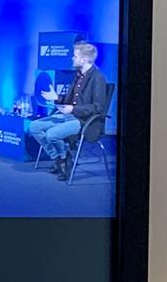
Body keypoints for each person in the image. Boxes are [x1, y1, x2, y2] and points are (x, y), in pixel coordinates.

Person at [31, 42, 109, 180]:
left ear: (84, 59)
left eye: (75, 56)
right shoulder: (78, 75)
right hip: (68, 115)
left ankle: (63, 159)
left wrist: (73, 109)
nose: (72, 58)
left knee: (51, 134)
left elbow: (98, 108)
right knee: (34, 127)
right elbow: (69, 100)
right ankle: (60, 158)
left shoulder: (98, 78)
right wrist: (56, 97)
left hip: (84, 121)